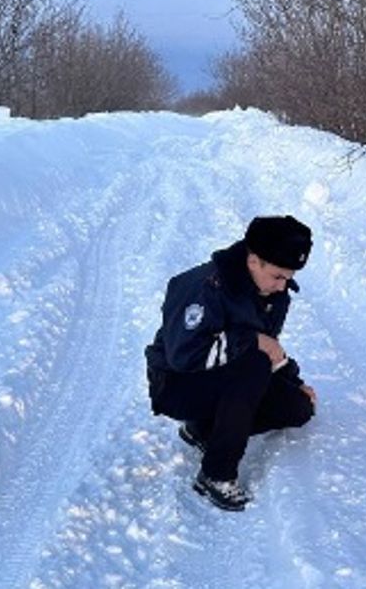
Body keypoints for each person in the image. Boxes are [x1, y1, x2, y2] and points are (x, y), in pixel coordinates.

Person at [145, 215, 317, 511]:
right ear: (253, 260)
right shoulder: (204, 288)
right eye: (278, 276)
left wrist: (294, 381)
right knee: (253, 364)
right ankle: (216, 474)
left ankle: (202, 429)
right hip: (176, 384)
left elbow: (268, 345)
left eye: (288, 278)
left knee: (297, 408)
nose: (282, 286)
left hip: (226, 373)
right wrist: (251, 341)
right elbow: (185, 356)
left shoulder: (275, 294)